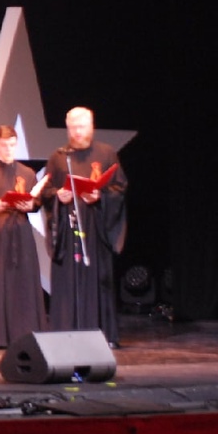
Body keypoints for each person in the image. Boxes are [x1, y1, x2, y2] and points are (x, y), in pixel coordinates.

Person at [41, 107, 128, 346]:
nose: (78, 133)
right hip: (69, 229)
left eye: (82, 127)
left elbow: (119, 189)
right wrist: (59, 195)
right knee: (68, 280)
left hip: (97, 226)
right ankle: (66, 332)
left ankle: (104, 334)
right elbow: (45, 192)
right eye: (73, 128)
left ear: (91, 127)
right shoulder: (59, 157)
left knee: (98, 278)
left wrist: (100, 196)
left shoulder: (107, 153)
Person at [0, 125, 47, 347]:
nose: (8, 149)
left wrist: (31, 203)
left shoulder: (27, 173)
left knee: (23, 283)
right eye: (4, 145)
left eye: (12, 145)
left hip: (21, 233)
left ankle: (24, 332)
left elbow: (37, 202)